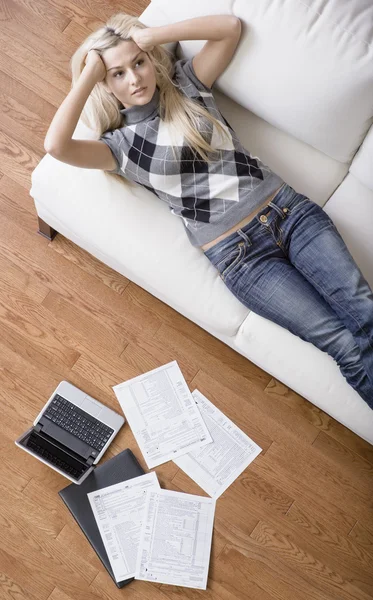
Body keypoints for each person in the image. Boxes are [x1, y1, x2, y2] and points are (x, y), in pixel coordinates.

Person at [44, 13, 373, 408]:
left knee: (365, 315)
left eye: (138, 63)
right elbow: (56, 146)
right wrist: (89, 71)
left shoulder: (187, 85)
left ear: (151, 59)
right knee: (343, 346)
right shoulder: (118, 148)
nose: (134, 79)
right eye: (117, 74)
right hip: (243, 260)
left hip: (290, 213)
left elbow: (229, 28)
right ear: (104, 84)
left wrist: (150, 35)